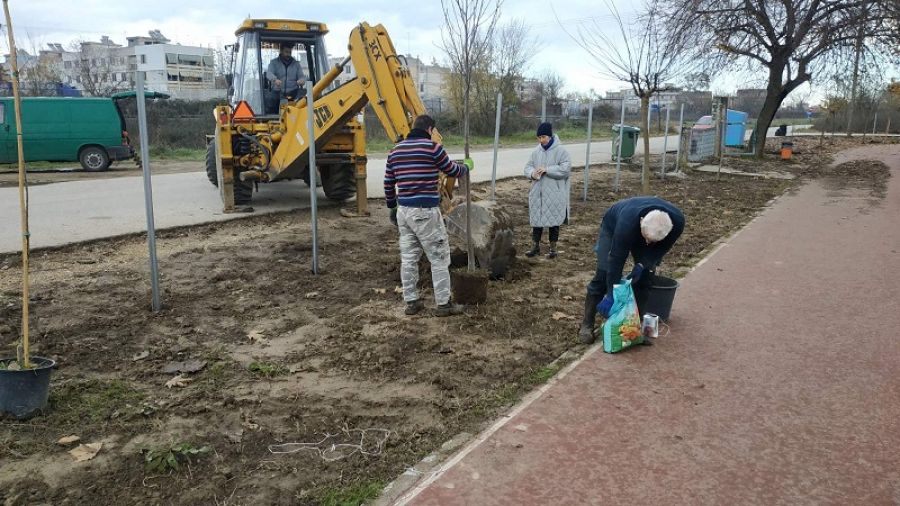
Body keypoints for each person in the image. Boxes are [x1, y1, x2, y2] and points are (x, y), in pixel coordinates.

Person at [384, 115, 473, 317]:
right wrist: (467, 166)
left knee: (408, 258)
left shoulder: (395, 151)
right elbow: (451, 170)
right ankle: (444, 304)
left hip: (404, 212)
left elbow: (388, 183)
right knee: (439, 256)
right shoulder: (432, 148)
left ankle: (412, 302)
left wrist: (392, 207)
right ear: (430, 129)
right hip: (425, 211)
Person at [578, 196, 685, 344]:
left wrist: (642, 265)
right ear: (641, 221)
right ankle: (587, 324)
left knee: (645, 278)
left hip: (649, 232)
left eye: (651, 242)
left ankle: (635, 327)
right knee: (603, 273)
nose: (647, 243)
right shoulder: (626, 223)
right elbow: (616, 260)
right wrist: (610, 293)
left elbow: (660, 250)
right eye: (646, 238)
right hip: (613, 225)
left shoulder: (677, 222)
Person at [523, 122, 571, 259]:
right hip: (537, 192)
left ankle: (553, 248)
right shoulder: (536, 151)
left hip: (555, 193)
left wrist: (547, 170)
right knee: (536, 220)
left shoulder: (561, 151)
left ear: (550, 136)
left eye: (543, 137)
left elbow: (566, 169)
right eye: (539, 137)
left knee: (554, 221)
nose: (541, 140)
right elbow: (527, 167)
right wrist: (533, 173)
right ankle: (535, 246)